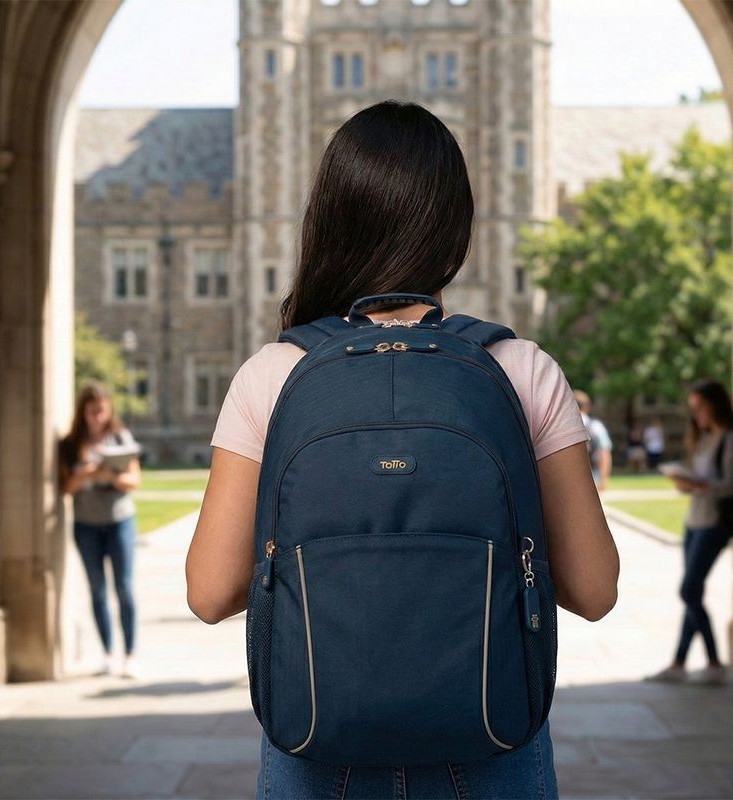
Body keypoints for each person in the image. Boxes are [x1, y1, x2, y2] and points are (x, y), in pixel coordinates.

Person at [186, 100, 620, 800]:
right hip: (490, 737)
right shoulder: (520, 368)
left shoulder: (275, 374)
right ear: (456, 227)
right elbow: (595, 590)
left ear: (329, 219)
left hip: (317, 741)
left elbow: (209, 593)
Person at [647, 379, 733, 685]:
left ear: (716, 405)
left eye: (700, 406)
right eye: (693, 408)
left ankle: (715, 661)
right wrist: (686, 482)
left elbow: (731, 485)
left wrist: (698, 485)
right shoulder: (704, 439)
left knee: (689, 590)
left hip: (714, 524)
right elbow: (702, 478)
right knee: (694, 594)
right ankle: (679, 663)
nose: (697, 414)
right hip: (694, 521)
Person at [59, 381, 142, 678]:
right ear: (82, 412)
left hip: (119, 521)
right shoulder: (70, 445)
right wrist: (86, 474)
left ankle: (130, 655)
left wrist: (111, 475)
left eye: (101, 411)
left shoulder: (120, 438)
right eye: (91, 412)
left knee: (124, 587)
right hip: (87, 526)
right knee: (97, 589)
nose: (97, 417)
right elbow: (64, 487)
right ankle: (107, 653)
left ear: (109, 411)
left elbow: (134, 480)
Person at [573, 390, 613, 492]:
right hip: (592, 476)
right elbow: (604, 453)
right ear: (587, 407)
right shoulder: (596, 427)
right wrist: (603, 479)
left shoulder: (562, 427)